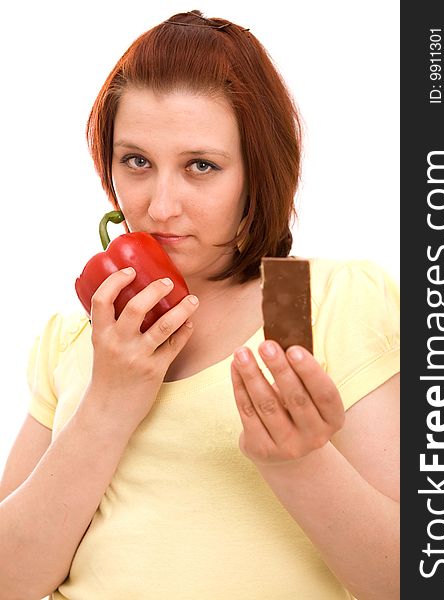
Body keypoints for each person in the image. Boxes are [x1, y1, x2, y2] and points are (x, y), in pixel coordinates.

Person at [0, 10, 399, 600]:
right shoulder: (72, 335)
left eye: (201, 166)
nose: (160, 206)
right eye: (136, 161)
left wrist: (298, 462)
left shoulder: (312, 300)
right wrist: (109, 402)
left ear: (257, 173)